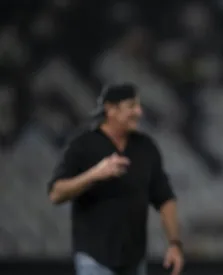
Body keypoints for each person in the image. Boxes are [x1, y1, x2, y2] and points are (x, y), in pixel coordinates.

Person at [48, 83, 184, 275]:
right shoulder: (84, 145)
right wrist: (94, 174)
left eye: (138, 106)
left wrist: (174, 244)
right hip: (94, 258)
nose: (138, 112)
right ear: (111, 109)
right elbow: (56, 194)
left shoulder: (144, 147)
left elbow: (165, 199)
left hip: (133, 261)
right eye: (131, 106)